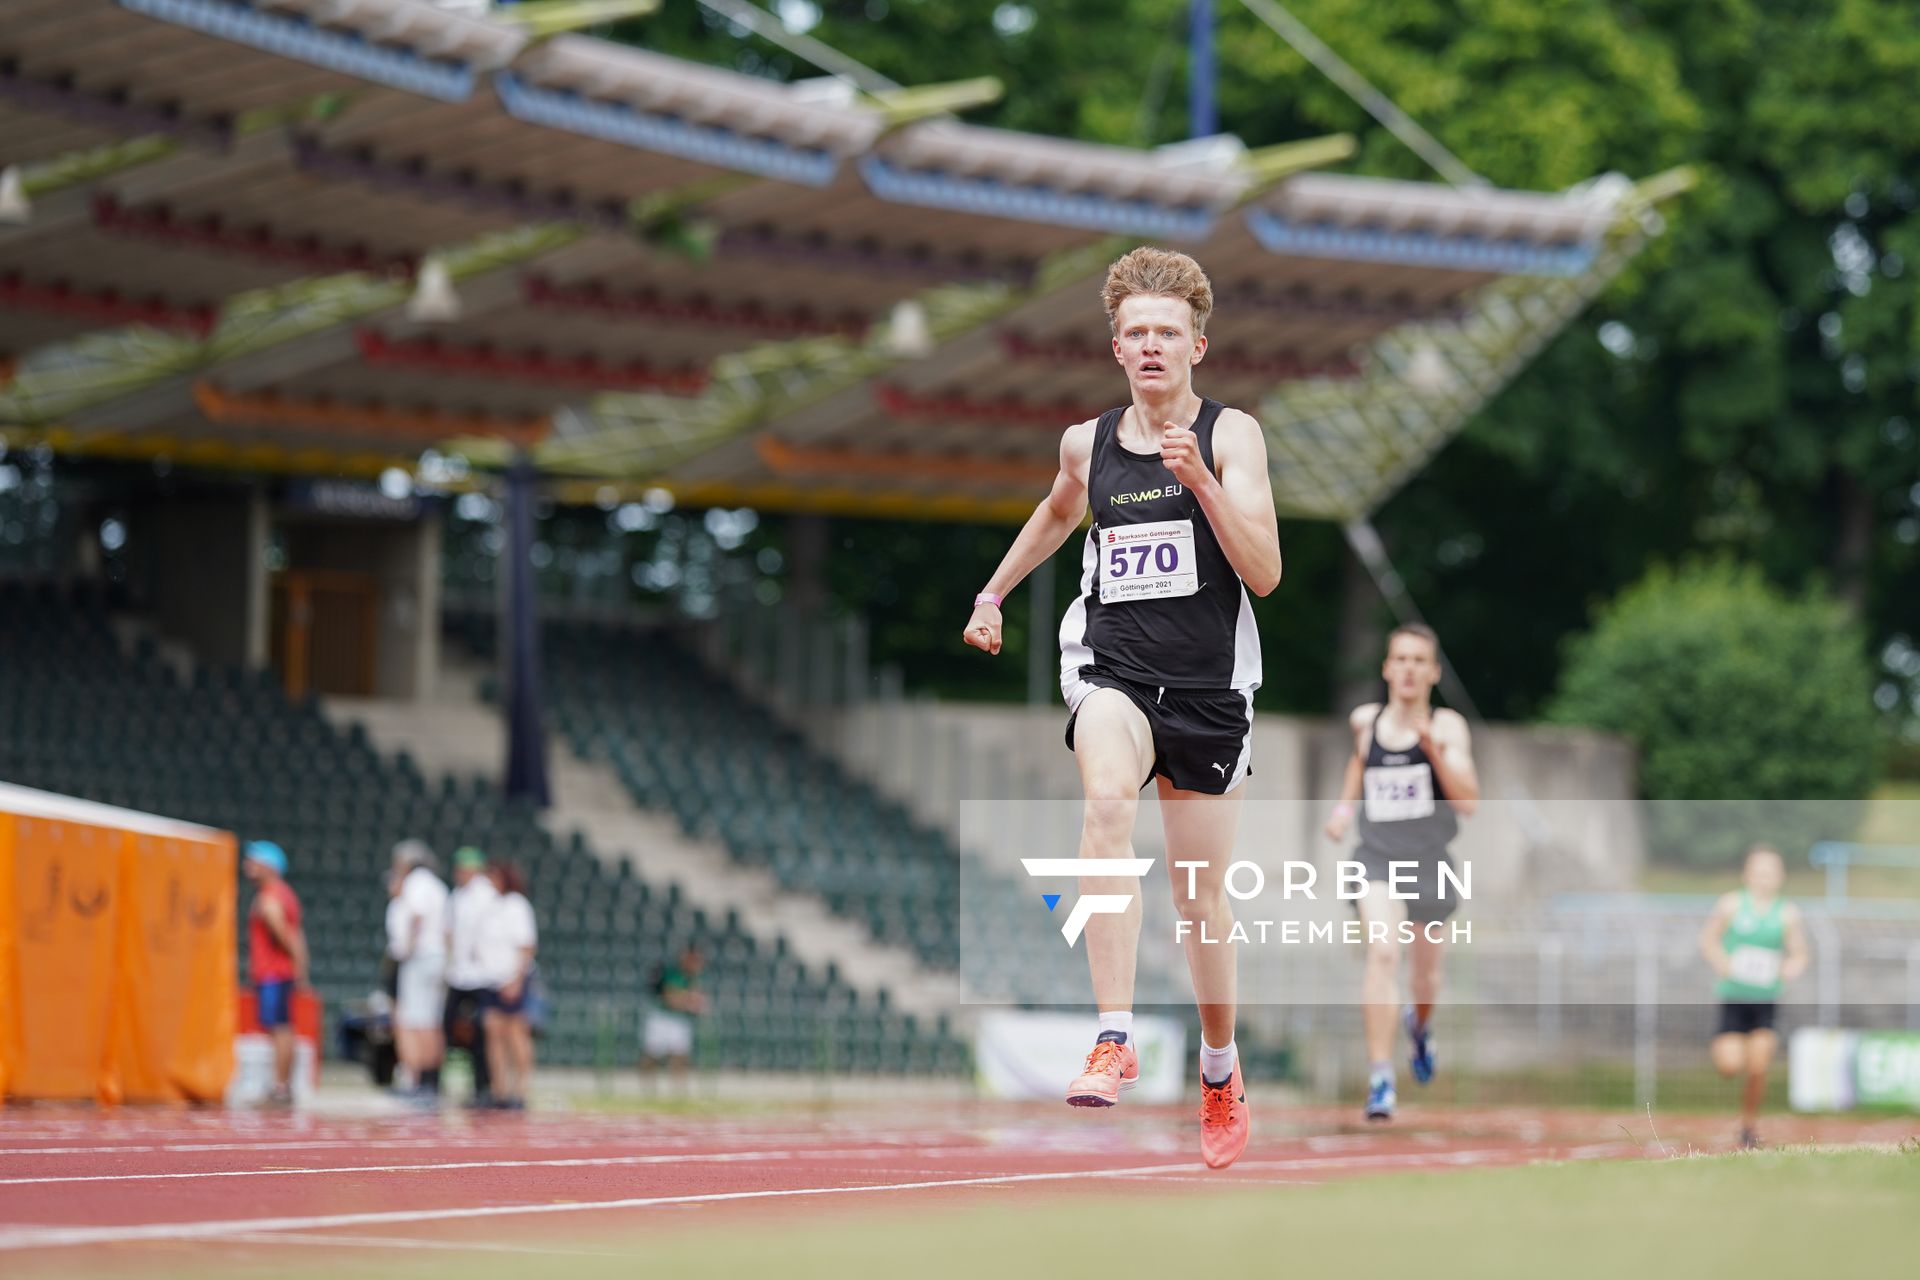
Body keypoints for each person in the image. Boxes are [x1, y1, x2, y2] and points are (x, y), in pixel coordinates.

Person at [961, 247, 1281, 1170]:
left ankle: (1220, 1069)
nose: (1151, 347)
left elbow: (1263, 572)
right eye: (1135, 333)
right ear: (1116, 348)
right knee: (1106, 803)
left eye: (1167, 334)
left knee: (1199, 898)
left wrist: (1203, 485)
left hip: (1214, 691)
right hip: (1113, 671)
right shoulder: (1086, 443)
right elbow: (1058, 512)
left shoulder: (1232, 437)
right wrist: (993, 595)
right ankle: (1114, 1033)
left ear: (1197, 347)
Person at [1324, 623, 1479, 1122]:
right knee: (1384, 951)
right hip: (1376, 859)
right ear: (1387, 668)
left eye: (1419, 661)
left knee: (1426, 976)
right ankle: (1380, 1078)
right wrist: (1344, 811)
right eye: (1401, 659)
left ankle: (1420, 1024)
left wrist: (1432, 749)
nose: (1409, 669)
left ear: (1433, 672)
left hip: (1430, 862)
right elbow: (1359, 762)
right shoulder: (1365, 721)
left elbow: (1469, 802)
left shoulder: (1448, 726)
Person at [1698, 843, 1809, 1148]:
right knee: (1730, 1066)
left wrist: (1792, 967)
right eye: (1759, 871)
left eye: (1770, 872)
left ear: (1780, 876)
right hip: (1734, 998)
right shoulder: (1731, 904)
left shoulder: (1787, 912)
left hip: (1765, 1000)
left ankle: (1748, 1126)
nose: (1764, 877)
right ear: (1747, 874)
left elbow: (1799, 953)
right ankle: (1731, 1050)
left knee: (1759, 1066)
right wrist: (1724, 963)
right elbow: (1708, 940)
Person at [243, 840, 307, 1107]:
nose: (247, 865)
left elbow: (282, 931)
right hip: (278, 971)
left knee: (280, 1028)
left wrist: (296, 964)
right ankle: (282, 1086)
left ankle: (279, 1087)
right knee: (282, 1027)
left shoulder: (270, 896)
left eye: (253, 860)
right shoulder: (284, 892)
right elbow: (297, 935)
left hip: (273, 972)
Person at [385, 839, 449, 1100]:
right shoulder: (437, 885)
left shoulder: (417, 882)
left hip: (420, 956)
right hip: (435, 956)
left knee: (416, 1020)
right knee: (429, 1019)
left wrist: (409, 947)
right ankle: (430, 1080)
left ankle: (421, 1081)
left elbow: (417, 915)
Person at [479, 860, 538, 1111]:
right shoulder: (491, 906)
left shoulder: (516, 905)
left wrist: (516, 979)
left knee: (516, 1034)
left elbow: (526, 945)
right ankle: (500, 1089)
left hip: (512, 978)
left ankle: (521, 1090)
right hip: (491, 978)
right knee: (494, 1033)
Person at [443, 845, 499, 1107]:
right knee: (449, 1028)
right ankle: (440, 1082)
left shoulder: (486, 894)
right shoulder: (457, 895)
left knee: (481, 1033)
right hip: (459, 973)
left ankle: (483, 1086)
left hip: (482, 975)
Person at [640, 944, 708, 1089]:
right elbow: (670, 998)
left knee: (680, 1056)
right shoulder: (673, 973)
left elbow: (698, 999)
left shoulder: (693, 977)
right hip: (662, 1018)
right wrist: (689, 1001)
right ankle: (647, 1087)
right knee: (652, 1054)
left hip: (680, 1019)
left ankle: (678, 1089)